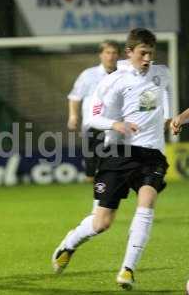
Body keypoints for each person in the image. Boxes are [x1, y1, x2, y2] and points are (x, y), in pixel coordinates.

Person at [52, 28, 171, 290]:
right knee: (102, 222)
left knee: (148, 200)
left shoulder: (162, 73)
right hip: (118, 154)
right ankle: (69, 244)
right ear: (129, 52)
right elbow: (93, 117)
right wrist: (115, 123)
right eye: (143, 53)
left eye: (151, 53)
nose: (148, 58)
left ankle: (128, 269)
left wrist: (169, 118)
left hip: (151, 154)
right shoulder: (112, 81)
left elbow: (166, 94)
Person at [67, 40, 120, 183]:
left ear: (118, 55)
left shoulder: (123, 75)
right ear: (101, 55)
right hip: (94, 125)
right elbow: (75, 96)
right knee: (92, 165)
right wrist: (73, 116)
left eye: (114, 53)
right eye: (108, 52)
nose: (111, 56)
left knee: (114, 163)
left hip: (117, 126)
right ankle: (93, 183)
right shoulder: (88, 75)